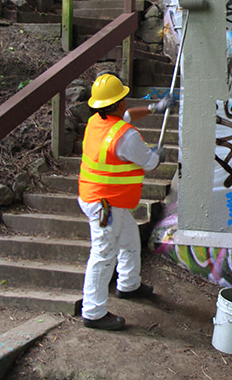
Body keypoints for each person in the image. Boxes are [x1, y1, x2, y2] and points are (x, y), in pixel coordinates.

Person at [78, 73, 176, 330]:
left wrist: (155, 108)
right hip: (106, 205)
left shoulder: (96, 122)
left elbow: (129, 116)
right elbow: (150, 162)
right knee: (103, 254)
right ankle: (93, 311)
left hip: (101, 199)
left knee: (130, 239)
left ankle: (129, 285)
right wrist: (158, 154)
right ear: (119, 102)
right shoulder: (126, 136)